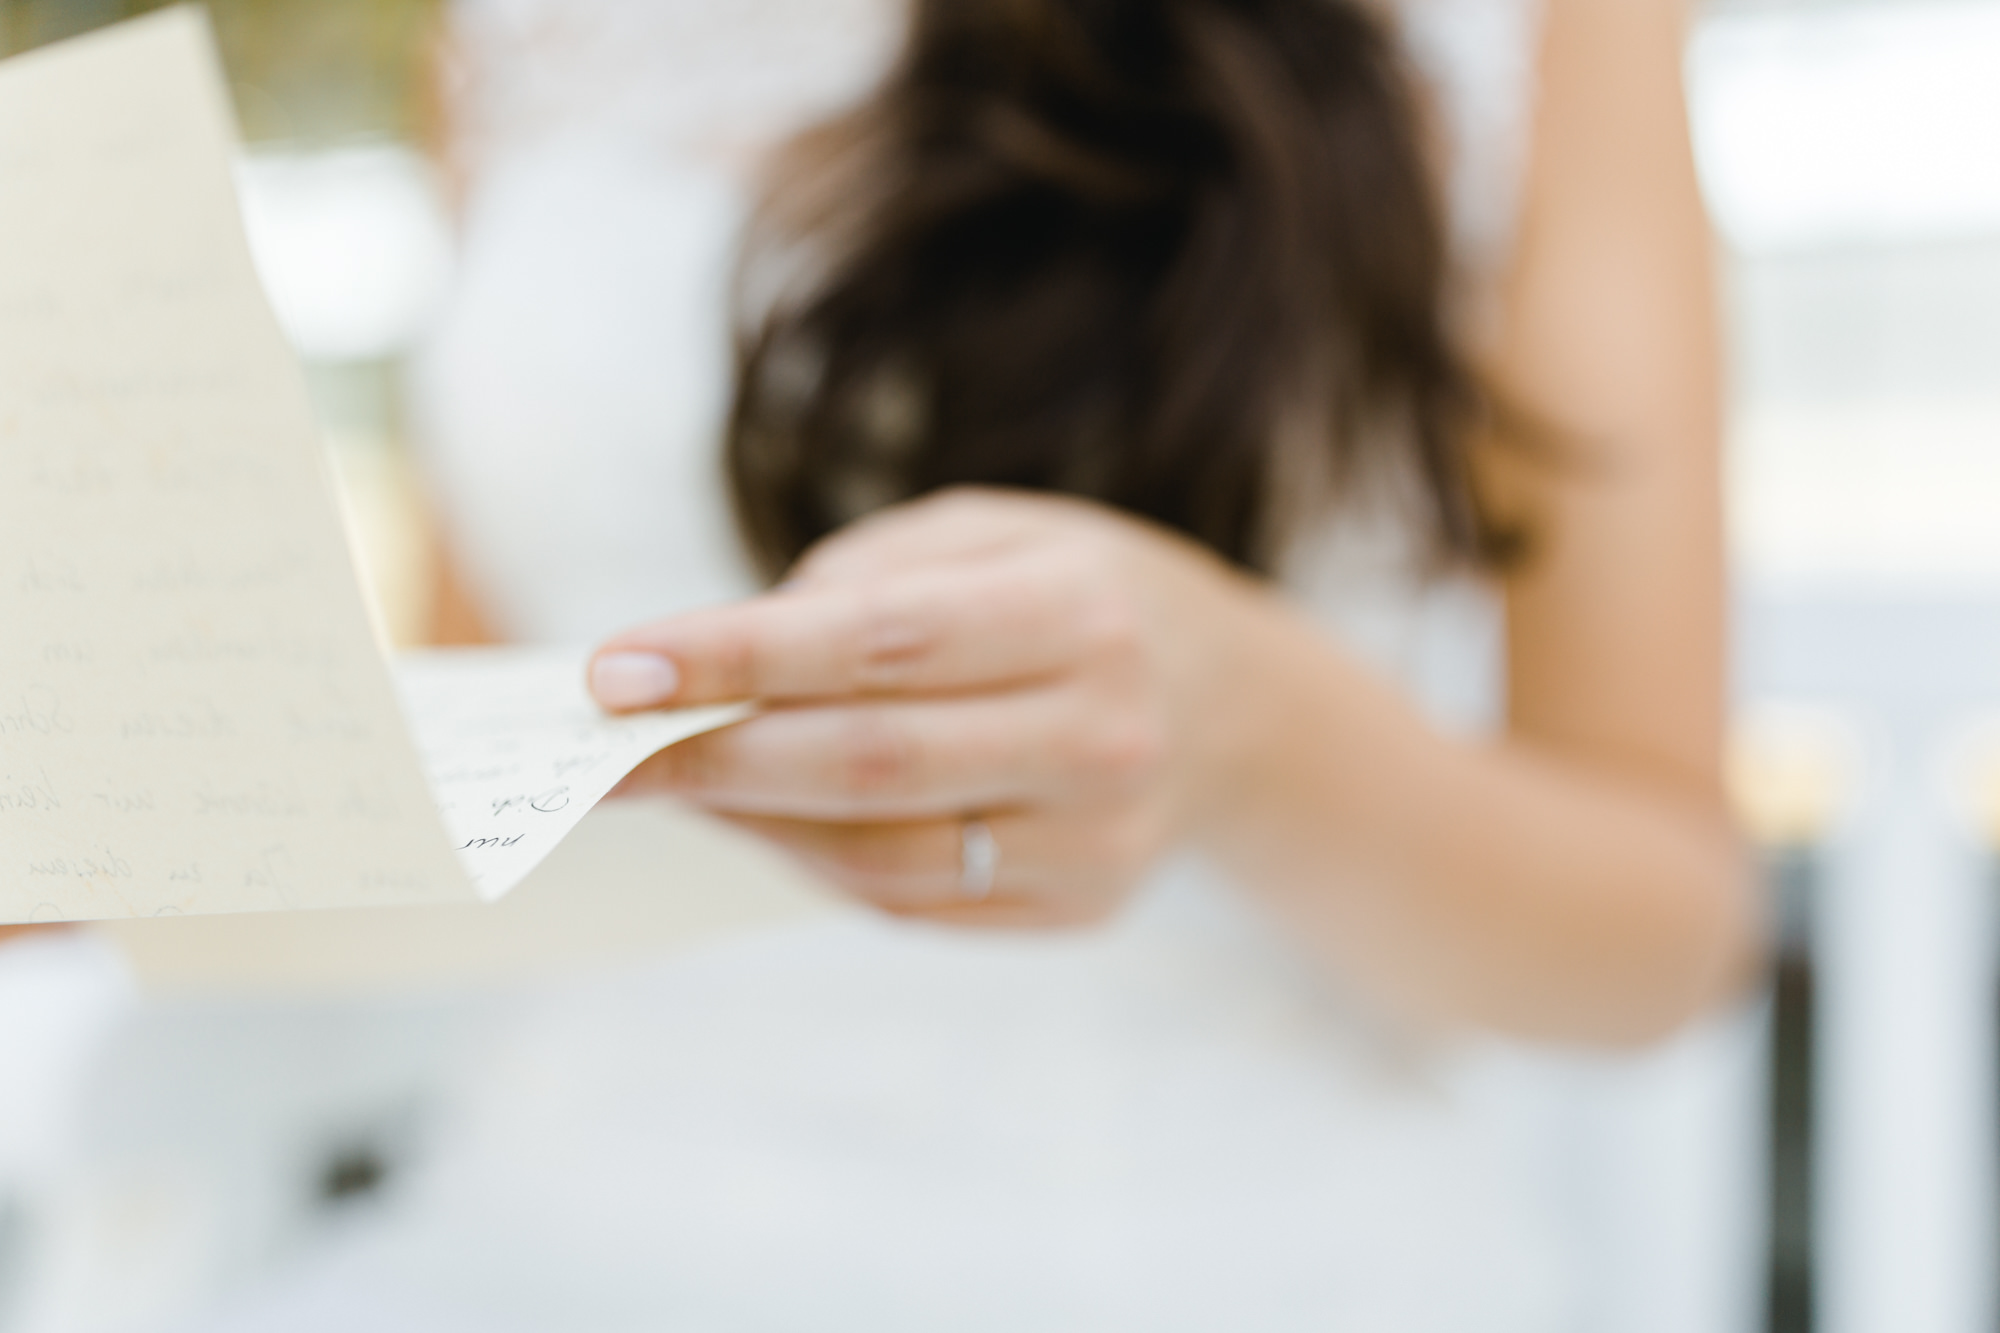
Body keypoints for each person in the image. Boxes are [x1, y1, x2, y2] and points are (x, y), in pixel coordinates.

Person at [193, 0, 1758, 1326]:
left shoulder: (1556, 32)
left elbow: (1666, 932)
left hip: (1230, 1257)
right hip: (545, 1239)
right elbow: (500, 777)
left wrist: (1247, 726)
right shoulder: (507, 29)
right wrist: (139, 822)